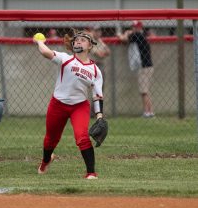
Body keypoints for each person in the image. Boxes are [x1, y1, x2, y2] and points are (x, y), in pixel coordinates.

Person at [33, 29, 105, 179]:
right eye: (76, 40)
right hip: (58, 104)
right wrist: (40, 42)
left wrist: (99, 116)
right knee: (51, 139)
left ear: (90, 46)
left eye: (83, 40)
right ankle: (46, 160)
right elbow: (46, 53)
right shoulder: (65, 59)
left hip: (79, 106)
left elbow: (97, 96)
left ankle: (91, 173)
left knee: (82, 137)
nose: (78, 41)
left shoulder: (95, 70)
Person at [117, 20, 155, 118]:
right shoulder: (141, 35)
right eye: (132, 27)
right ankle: (149, 111)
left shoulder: (137, 35)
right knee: (145, 90)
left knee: (144, 91)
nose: (133, 29)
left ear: (139, 28)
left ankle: (148, 112)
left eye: (135, 27)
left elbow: (123, 39)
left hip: (144, 67)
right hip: (147, 66)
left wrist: (124, 33)